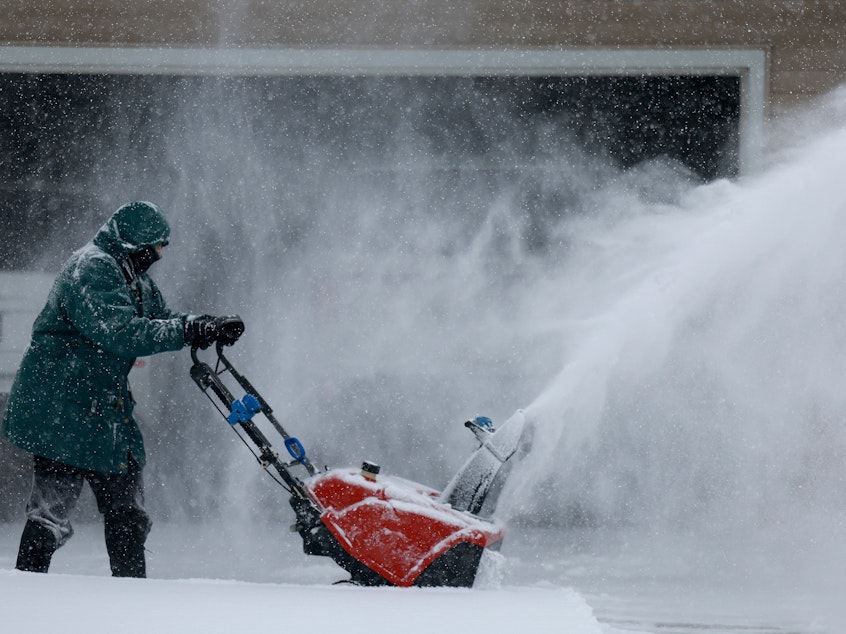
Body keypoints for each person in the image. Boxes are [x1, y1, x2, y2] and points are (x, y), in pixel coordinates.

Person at [0, 201, 240, 577]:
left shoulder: (134, 278)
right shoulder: (91, 269)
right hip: (61, 408)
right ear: (133, 245)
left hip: (104, 411)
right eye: (156, 246)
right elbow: (120, 332)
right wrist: (186, 332)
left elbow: (160, 318)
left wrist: (204, 324)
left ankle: (131, 593)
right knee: (51, 514)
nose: (160, 254)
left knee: (128, 510)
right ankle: (28, 587)